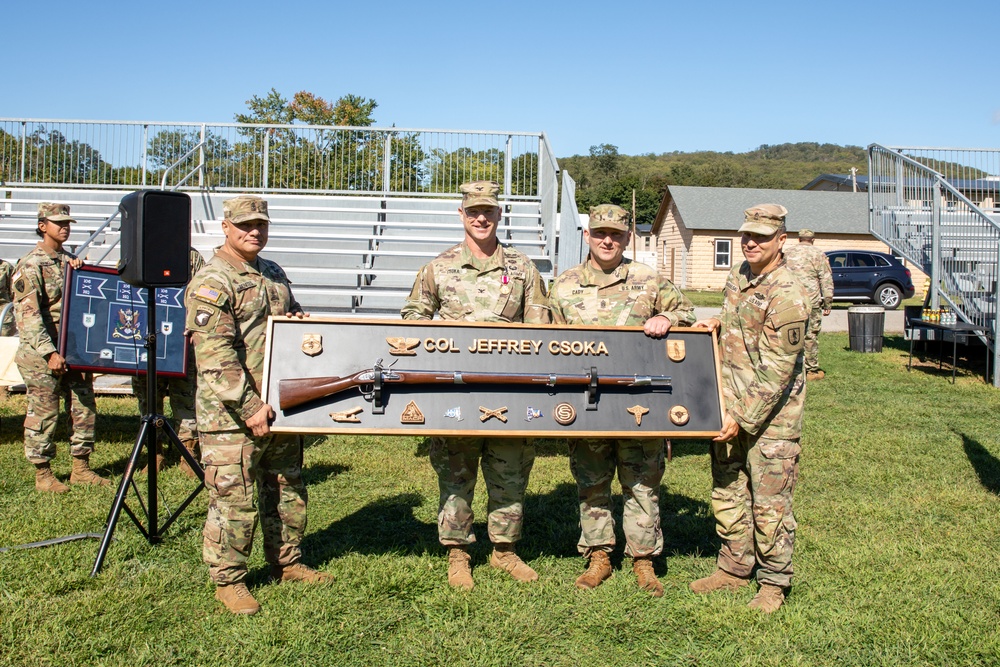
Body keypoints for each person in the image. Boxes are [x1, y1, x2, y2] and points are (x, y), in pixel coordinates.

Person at [401, 180, 550, 590]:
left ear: (500, 215)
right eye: (473, 212)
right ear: (462, 217)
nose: (481, 218)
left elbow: (541, 329)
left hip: (510, 389)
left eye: (488, 212)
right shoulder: (438, 267)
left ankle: (505, 550)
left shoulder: (522, 269)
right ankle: (458, 551)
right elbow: (413, 316)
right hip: (455, 390)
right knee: (456, 472)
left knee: (510, 471)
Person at [186, 195, 330, 616]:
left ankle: (287, 561)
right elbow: (214, 356)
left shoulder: (273, 273)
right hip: (232, 416)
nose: (254, 231)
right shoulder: (212, 281)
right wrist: (250, 406)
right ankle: (229, 580)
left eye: (261, 224)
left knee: (287, 488)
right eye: (246, 224)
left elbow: (293, 318)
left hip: (282, 406)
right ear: (226, 227)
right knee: (236, 498)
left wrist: (304, 323)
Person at [549, 204, 695, 597]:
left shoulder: (648, 279)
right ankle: (599, 555)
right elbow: (547, 342)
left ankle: (643, 559)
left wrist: (669, 320)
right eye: (600, 233)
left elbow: (686, 311)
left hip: (641, 402)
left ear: (627, 237)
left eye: (615, 234)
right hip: (587, 404)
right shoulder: (563, 285)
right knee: (592, 481)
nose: (607, 240)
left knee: (643, 483)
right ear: (588, 236)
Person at [689, 204, 809, 614]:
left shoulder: (788, 292)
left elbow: (779, 370)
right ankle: (733, 567)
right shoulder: (739, 276)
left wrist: (740, 418)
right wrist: (714, 326)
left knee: (769, 504)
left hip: (769, 420)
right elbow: (738, 323)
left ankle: (773, 582)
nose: (750, 242)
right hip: (727, 405)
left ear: (781, 240)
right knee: (727, 491)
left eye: (760, 236)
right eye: (746, 235)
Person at [13, 203, 109, 492]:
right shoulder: (30, 264)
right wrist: (49, 353)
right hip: (43, 354)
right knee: (44, 412)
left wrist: (81, 271)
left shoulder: (70, 261)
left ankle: (81, 467)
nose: (65, 227)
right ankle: (43, 473)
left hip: (74, 350)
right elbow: (28, 317)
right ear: (43, 225)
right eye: (58, 223)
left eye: (68, 222)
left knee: (84, 408)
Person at [133, 247, 205, 477]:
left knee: (186, 397)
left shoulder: (190, 257)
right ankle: (155, 452)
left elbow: (202, 293)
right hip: (145, 338)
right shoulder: (136, 253)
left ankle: (188, 452)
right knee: (149, 399)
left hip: (180, 342)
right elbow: (122, 291)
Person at [782, 229, 833, 380]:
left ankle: (788, 367)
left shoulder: (787, 253)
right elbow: (826, 279)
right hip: (811, 301)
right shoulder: (819, 254)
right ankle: (810, 370)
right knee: (811, 335)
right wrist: (828, 302)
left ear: (799, 239)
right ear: (812, 240)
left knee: (789, 333)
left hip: (790, 299)